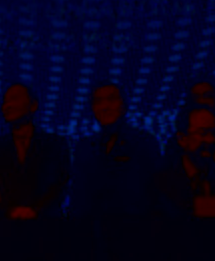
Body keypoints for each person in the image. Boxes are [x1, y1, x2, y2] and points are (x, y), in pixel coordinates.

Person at [68, 81, 163, 218]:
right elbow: (78, 193)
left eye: (111, 100)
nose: (105, 106)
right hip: (92, 226)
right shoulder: (84, 146)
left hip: (137, 224)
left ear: (125, 104)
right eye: (98, 101)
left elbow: (156, 190)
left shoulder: (145, 142)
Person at [0, 83, 70, 219]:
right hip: (3, 225)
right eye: (5, 101)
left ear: (33, 105)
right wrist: (9, 212)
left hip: (47, 224)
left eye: (14, 99)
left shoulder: (56, 145)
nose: (8, 105)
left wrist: (35, 210)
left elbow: (61, 185)